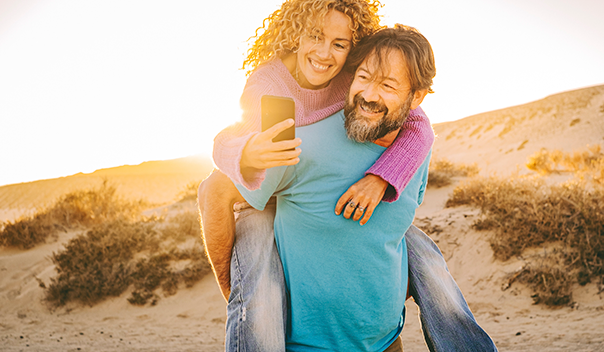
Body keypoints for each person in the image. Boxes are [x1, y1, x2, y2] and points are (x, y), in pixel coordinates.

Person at [198, 1, 497, 351]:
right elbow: (218, 180)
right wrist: (237, 297)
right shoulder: (281, 111)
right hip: (307, 342)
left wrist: (383, 176)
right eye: (365, 78)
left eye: (339, 45)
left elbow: (418, 131)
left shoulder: (411, 140)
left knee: (420, 249)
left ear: (416, 97)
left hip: (387, 343)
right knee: (256, 243)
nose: (369, 93)